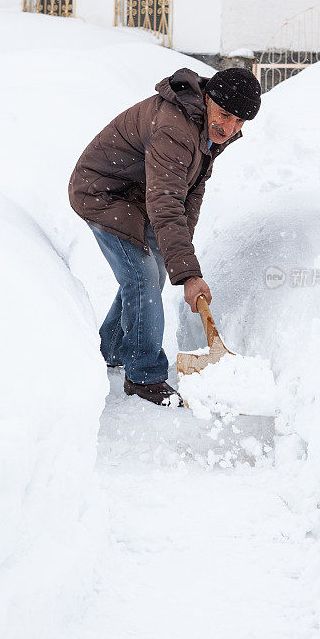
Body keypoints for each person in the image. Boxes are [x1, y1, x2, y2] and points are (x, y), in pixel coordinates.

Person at [68, 67, 261, 406]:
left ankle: (112, 348)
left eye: (240, 123)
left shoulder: (207, 126)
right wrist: (188, 273)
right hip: (102, 193)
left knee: (151, 270)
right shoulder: (175, 127)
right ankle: (143, 376)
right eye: (226, 115)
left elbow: (192, 190)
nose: (230, 129)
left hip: (137, 194)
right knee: (142, 277)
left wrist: (179, 252)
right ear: (208, 98)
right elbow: (166, 201)